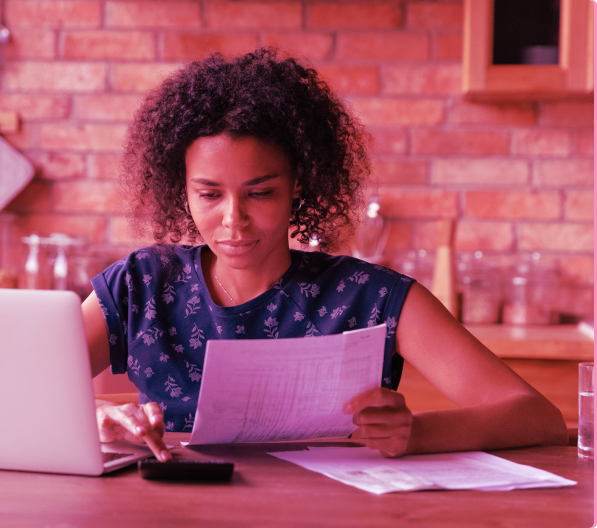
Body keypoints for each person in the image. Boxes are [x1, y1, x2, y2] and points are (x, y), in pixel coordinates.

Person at [81, 48, 567, 463]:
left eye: (261, 193)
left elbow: (536, 417)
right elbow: (14, 387)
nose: (234, 219)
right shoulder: (140, 286)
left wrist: (418, 433)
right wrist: (96, 414)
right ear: (181, 191)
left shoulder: (371, 297)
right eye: (210, 195)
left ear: (299, 187)